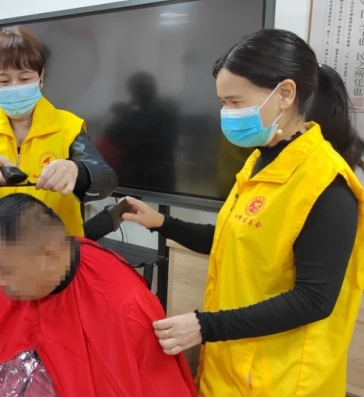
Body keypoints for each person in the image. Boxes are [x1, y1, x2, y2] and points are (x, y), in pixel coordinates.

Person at [121, 29, 364, 396]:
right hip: (232, 366)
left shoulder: (327, 185)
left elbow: (314, 299)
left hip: (283, 381)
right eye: (223, 103)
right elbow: (234, 240)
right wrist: (162, 223)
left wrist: (205, 326)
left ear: (285, 94)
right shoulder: (259, 162)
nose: (227, 114)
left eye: (236, 102)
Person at [0, 26, 117, 308]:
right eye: (4, 80)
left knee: (55, 331)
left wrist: (78, 172)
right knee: (2, 332)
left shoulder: (68, 126)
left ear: (41, 77)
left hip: (52, 261)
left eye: (24, 78)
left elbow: (106, 178)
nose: (15, 87)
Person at [0, 193, 197, 396]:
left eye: (6, 270)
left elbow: (155, 384)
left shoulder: (124, 302)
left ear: (49, 255)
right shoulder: (12, 281)